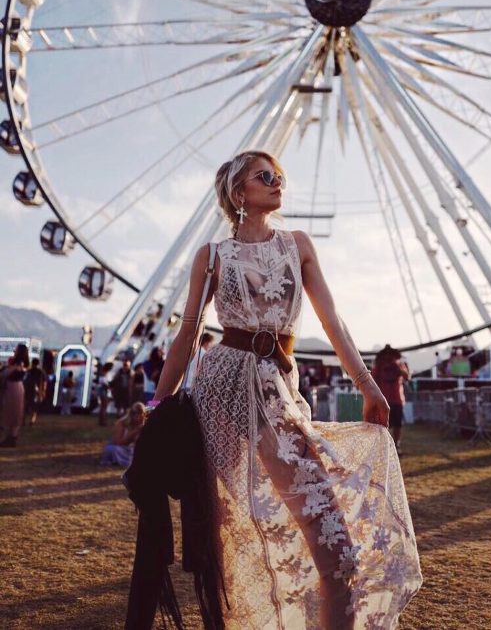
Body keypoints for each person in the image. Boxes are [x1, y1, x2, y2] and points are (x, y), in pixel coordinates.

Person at [149, 151, 422, 628]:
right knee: (223, 533)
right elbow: (189, 331)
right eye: (265, 177)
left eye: (280, 177)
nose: (278, 183)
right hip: (223, 392)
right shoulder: (211, 256)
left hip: (278, 392)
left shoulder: (297, 245)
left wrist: (367, 384)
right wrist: (158, 404)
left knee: (336, 551)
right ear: (239, 194)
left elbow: (330, 319)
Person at [371, 344, 410, 455]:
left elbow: (407, 376)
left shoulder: (399, 364)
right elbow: (373, 379)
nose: (388, 356)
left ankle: (397, 444)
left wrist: (398, 367)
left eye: (390, 354)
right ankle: (385, 446)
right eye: (386, 354)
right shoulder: (379, 366)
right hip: (383, 399)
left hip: (397, 399)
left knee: (397, 424)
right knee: (383, 424)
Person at [100, 401, 146, 467]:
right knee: (112, 450)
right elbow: (118, 442)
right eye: (135, 414)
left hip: (131, 450)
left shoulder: (143, 424)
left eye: (140, 414)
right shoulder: (122, 423)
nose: (137, 417)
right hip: (119, 448)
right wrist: (134, 432)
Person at [0, 344, 29, 447]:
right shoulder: (23, 363)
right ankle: (12, 437)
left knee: (12, 411)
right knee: (16, 412)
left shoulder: (18, 364)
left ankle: (11, 438)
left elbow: (5, 374)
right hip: (18, 387)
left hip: (13, 388)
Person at [23, 357, 46, 426]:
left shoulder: (28, 371)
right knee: (35, 407)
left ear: (32, 363)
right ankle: (32, 420)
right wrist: (43, 391)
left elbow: (24, 381)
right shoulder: (41, 372)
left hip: (28, 390)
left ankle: (23, 420)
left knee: (26, 406)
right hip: (37, 391)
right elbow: (44, 382)